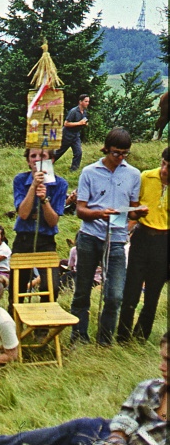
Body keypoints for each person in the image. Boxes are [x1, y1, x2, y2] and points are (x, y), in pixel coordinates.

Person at [0, 331, 167, 445]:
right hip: (101, 432)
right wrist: (117, 438)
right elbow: (126, 417)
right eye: (162, 359)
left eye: (168, 361)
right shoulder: (150, 387)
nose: (161, 367)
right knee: (31, 440)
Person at [70, 128, 147, 346]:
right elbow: (80, 210)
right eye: (116, 153)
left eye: (124, 153)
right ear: (106, 148)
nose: (120, 157)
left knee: (114, 296)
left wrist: (138, 214)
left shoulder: (133, 174)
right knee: (82, 291)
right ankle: (78, 337)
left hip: (117, 240)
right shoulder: (89, 172)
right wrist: (99, 214)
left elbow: (131, 210)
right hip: (90, 237)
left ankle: (104, 341)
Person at [117, 147, 169, 343]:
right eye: (163, 163)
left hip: (164, 241)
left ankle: (140, 337)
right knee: (131, 290)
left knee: (153, 293)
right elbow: (131, 206)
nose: (164, 170)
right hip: (142, 236)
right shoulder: (146, 177)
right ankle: (122, 335)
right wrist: (136, 214)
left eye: (169, 167)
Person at [9, 148, 68, 305]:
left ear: (51, 160)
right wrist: (33, 187)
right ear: (28, 161)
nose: (36, 160)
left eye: (42, 156)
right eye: (32, 156)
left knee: (51, 287)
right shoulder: (20, 180)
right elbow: (23, 213)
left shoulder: (60, 184)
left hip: (46, 240)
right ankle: (15, 324)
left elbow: (53, 221)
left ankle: (43, 326)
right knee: (16, 289)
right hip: (23, 239)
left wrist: (44, 201)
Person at [54, 93, 89, 172]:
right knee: (58, 152)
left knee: (78, 153)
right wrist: (79, 123)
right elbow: (66, 123)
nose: (88, 103)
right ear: (80, 102)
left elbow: (84, 120)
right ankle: (46, 164)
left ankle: (74, 170)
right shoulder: (73, 111)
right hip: (67, 135)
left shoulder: (84, 112)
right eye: (86, 101)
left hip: (76, 135)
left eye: (88, 101)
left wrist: (85, 123)